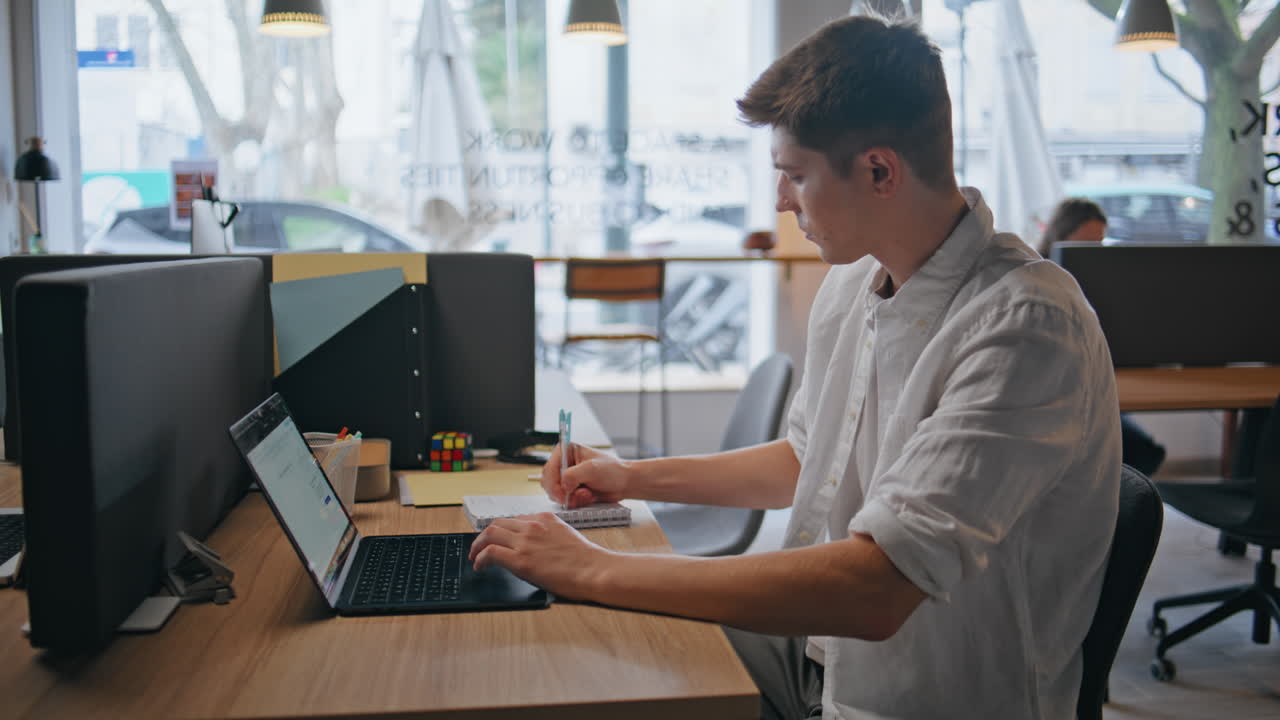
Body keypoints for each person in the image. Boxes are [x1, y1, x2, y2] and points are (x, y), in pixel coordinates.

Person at [469, 14, 1120, 720]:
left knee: (598, 635)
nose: (780, 200)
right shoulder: (855, 281)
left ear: (879, 170)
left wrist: (595, 566)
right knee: (576, 641)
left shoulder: (1027, 326)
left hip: (922, 698)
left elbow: (878, 587)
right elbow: (805, 459)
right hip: (818, 656)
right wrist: (630, 479)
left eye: (795, 175)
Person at [1039, 197, 1168, 477]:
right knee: (1134, 449)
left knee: (1146, 452)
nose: (1092, 252)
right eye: (1084, 244)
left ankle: (1113, 507)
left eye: (1099, 243)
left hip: (1105, 383)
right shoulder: (1037, 284)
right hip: (1060, 393)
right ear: (1060, 237)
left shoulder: (1109, 282)